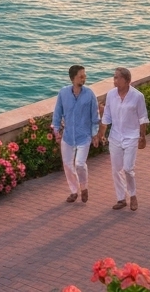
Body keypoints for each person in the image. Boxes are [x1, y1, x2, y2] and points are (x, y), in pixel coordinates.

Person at [100, 67, 149, 211]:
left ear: (127, 80)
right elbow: (107, 116)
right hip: (115, 137)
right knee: (116, 169)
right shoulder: (110, 95)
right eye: (114, 77)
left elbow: (143, 118)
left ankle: (133, 195)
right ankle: (121, 198)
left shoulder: (137, 96)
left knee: (128, 168)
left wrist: (142, 137)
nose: (114, 80)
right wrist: (101, 134)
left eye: (117, 78)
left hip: (132, 137)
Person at [52, 64, 100, 204]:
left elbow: (95, 116)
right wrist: (56, 131)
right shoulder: (63, 93)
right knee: (67, 165)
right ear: (73, 78)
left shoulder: (89, 94)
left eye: (84, 76)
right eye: (81, 76)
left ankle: (84, 187)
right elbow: (57, 113)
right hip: (67, 137)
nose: (84, 78)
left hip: (84, 136)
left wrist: (95, 135)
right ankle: (74, 191)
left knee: (79, 164)